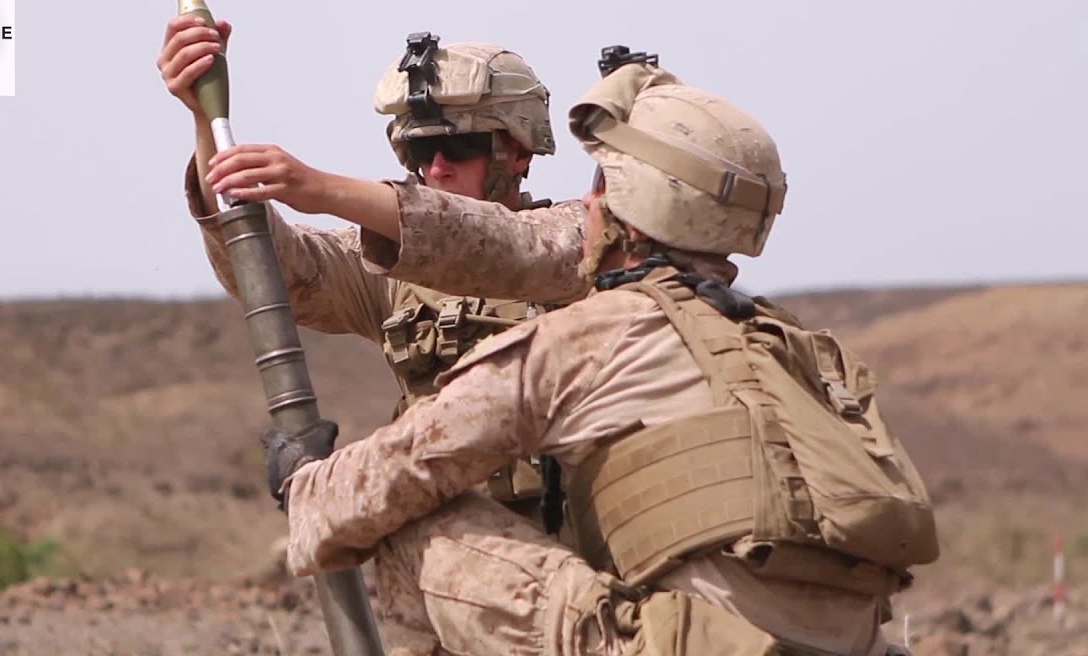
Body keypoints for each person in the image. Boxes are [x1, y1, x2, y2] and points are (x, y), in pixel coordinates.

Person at [263, 59, 939, 656]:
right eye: (418, 151)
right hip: (832, 641)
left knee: (406, 513)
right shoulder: (797, 349)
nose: (585, 205)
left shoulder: (584, 336)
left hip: (672, 636)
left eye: (600, 189)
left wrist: (305, 482)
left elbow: (393, 474)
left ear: (626, 211)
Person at [157, 23, 573, 538]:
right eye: (420, 152)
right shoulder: (389, 263)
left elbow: (523, 245)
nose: (437, 169)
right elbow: (272, 269)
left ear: (519, 151)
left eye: (461, 146)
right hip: (444, 549)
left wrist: (321, 189)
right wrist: (206, 120)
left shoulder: (580, 247)